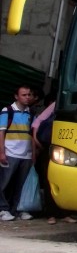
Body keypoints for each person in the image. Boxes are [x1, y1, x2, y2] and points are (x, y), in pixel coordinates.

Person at [32, 96, 77, 225]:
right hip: (51, 149)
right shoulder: (58, 104)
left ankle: (65, 214)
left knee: (66, 182)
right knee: (50, 182)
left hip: (69, 150)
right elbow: (36, 123)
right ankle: (50, 214)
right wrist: (38, 142)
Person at [0, 85, 35, 221]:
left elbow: (31, 135)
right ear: (16, 96)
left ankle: (17, 210)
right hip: (10, 153)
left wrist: (33, 154)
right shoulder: (7, 111)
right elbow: (1, 133)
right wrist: (2, 153)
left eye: (29, 95)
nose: (27, 97)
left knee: (21, 184)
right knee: (4, 183)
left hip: (25, 155)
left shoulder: (30, 113)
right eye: (24, 95)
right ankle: (3, 209)